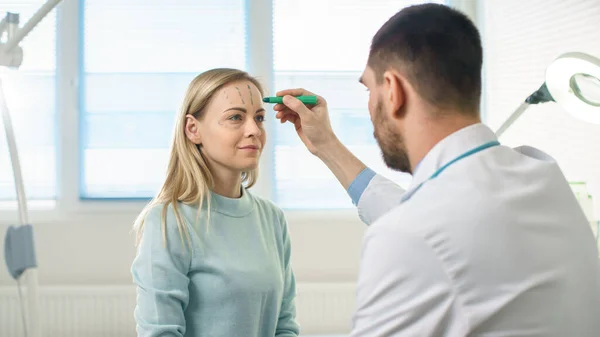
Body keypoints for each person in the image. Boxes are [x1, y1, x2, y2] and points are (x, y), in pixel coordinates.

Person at [274, 3, 600, 337]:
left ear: (393, 90)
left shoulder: (412, 235)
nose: (369, 106)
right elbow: (434, 222)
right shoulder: (542, 175)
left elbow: (422, 232)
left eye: (369, 90)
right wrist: (327, 146)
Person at [131, 68, 299, 337]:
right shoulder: (168, 221)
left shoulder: (272, 218)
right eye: (235, 117)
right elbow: (160, 333)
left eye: (259, 118)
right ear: (193, 129)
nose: (254, 130)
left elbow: (285, 324)